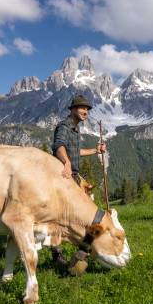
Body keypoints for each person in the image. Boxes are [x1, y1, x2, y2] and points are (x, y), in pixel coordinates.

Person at [50, 94, 106, 266]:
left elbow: (76, 151)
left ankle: (84, 246)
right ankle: (57, 254)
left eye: (87, 109)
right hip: (63, 176)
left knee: (81, 211)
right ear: (73, 109)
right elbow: (59, 145)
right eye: (82, 108)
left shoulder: (75, 128)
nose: (86, 112)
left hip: (73, 177)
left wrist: (95, 151)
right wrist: (66, 162)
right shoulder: (64, 126)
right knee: (59, 216)